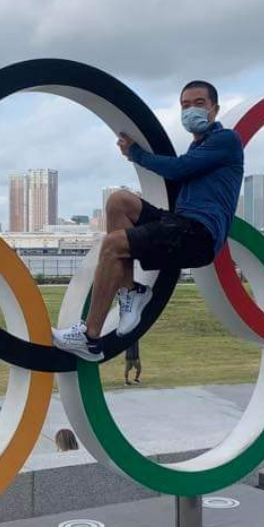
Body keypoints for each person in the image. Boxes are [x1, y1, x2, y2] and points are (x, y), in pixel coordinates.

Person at [51, 80, 243, 359]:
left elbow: (178, 170)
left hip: (200, 235)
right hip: (180, 223)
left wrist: (135, 154)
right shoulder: (198, 146)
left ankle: (90, 337)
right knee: (119, 201)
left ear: (214, 109)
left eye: (199, 103)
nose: (191, 110)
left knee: (113, 245)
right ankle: (130, 291)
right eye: (185, 105)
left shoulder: (226, 140)